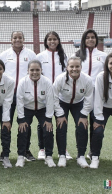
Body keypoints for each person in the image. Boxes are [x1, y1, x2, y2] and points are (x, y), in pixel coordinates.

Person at [0, 31, 37, 162]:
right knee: (6, 122)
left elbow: (35, 72)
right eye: (15, 37)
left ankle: (25, 150)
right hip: (8, 95)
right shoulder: (4, 55)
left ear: (24, 39)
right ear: (11, 39)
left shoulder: (31, 54)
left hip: (25, 95)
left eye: (20, 37)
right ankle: (4, 152)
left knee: (25, 123)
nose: (17, 40)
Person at [15, 60, 57, 168]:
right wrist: (21, 119)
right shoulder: (22, 82)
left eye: (37, 70)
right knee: (23, 129)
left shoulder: (47, 82)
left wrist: (48, 119)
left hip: (42, 109)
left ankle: (48, 157)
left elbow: (50, 101)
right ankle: (21, 156)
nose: (34, 72)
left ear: (41, 70)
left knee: (48, 130)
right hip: (26, 108)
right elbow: (19, 101)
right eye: (32, 70)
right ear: (28, 71)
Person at [53, 56, 93, 168]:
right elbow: (54, 97)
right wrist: (60, 114)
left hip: (78, 103)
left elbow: (89, 99)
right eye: (71, 66)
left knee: (82, 126)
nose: (74, 69)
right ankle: (62, 155)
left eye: (77, 66)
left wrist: (84, 114)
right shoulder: (60, 79)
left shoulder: (88, 80)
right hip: (62, 102)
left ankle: (81, 156)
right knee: (61, 126)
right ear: (67, 67)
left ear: (81, 67)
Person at [36, 31, 69, 161]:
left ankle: (63, 149)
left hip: (60, 95)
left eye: (54, 39)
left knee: (61, 121)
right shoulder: (40, 56)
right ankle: (42, 149)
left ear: (58, 41)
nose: (52, 41)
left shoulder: (64, 56)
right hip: (44, 95)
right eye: (49, 39)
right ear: (46, 41)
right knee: (43, 122)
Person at [75, 29, 107, 158]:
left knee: (96, 125)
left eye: (93, 37)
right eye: (87, 37)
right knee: (81, 126)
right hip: (80, 95)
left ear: (96, 40)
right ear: (84, 40)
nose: (90, 39)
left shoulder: (103, 56)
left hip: (97, 95)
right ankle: (80, 152)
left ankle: (93, 152)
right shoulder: (77, 55)